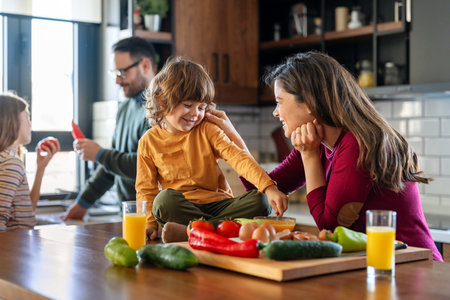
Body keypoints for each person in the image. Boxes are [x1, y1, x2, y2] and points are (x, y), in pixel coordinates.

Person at [207, 51, 443, 261]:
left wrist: (309, 157)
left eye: (279, 101)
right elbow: (261, 188)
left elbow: (329, 225)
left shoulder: (356, 144)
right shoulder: (317, 143)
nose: (275, 112)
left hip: (413, 266)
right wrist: (233, 139)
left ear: (309, 102)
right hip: (375, 265)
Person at [136, 57, 288, 241]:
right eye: (188, 105)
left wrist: (268, 186)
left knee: (261, 201)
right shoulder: (148, 141)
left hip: (218, 205)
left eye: (201, 107)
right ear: (163, 103)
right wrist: (149, 223)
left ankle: (196, 231)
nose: (196, 114)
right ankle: (220, 229)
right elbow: (146, 189)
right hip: (182, 207)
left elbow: (238, 158)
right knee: (163, 201)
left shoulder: (208, 129)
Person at [63, 37, 157, 220]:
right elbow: (111, 165)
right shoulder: (124, 108)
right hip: (130, 215)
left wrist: (100, 154)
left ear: (145, 65)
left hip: (153, 218)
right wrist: (82, 203)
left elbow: (148, 166)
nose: (117, 81)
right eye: (114, 73)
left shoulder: (161, 108)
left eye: (122, 72)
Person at [0, 93, 59, 231]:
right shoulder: (10, 163)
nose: (30, 124)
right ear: (12, 121)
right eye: (27, 117)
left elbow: (26, 212)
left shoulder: (9, 159)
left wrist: (41, 168)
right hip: (14, 248)